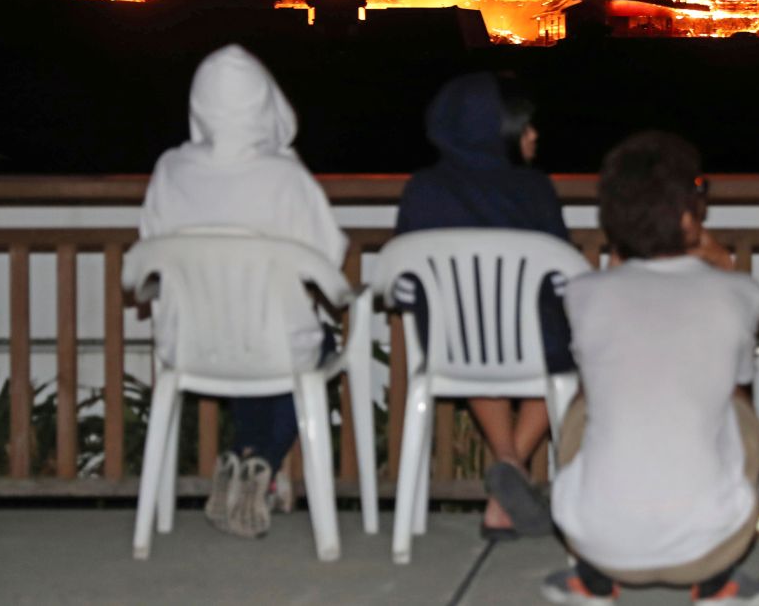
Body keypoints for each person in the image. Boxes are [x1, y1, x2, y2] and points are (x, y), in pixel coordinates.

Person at [543, 132, 759, 606]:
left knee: (585, 406)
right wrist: (721, 263)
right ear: (690, 217)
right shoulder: (741, 294)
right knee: (739, 411)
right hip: (709, 547)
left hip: (599, 543)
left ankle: (591, 581)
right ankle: (717, 585)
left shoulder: (584, 296)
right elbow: (740, 393)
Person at [139, 44, 347, 539]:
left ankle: (248, 456)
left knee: (243, 344)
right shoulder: (285, 176)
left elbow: (149, 249)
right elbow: (328, 261)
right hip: (273, 346)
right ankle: (263, 460)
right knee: (314, 349)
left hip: (193, 344)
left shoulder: (171, 169)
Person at [394, 71, 570, 539]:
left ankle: (504, 482)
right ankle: (510, 470)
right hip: (533, 346)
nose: (534, 135)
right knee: (570, 352)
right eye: (526, 125)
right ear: (502, 130)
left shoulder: (422, 189)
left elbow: (404, 287)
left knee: (476, 339)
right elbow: (560, 278)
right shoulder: (535, 190)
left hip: (452, 346)